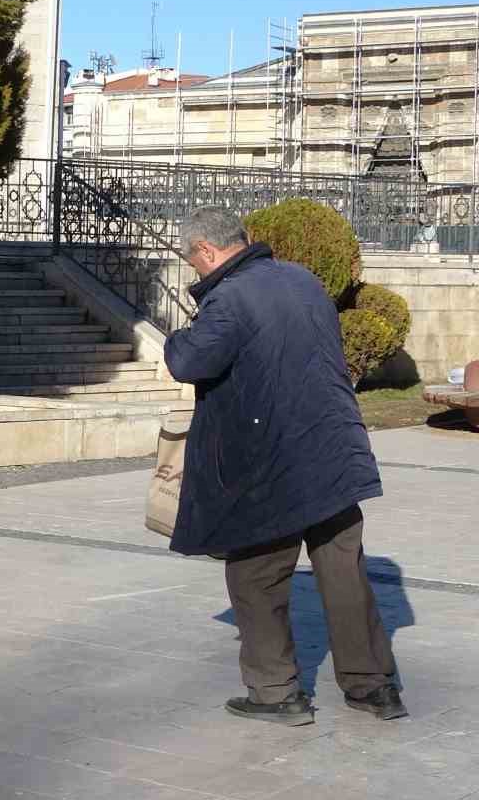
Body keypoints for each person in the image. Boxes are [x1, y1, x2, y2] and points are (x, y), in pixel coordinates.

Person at [163, 206, 404, 726]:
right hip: (334, 448)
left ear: (206, 251)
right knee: (344, 573)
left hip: (269, 458)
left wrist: (177, 335)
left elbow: (188, 362)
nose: (194, 271)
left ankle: (276, 693)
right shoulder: (302, 278)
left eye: (192, 261)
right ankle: (374, 688)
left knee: (256, 576)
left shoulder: (228, 299)